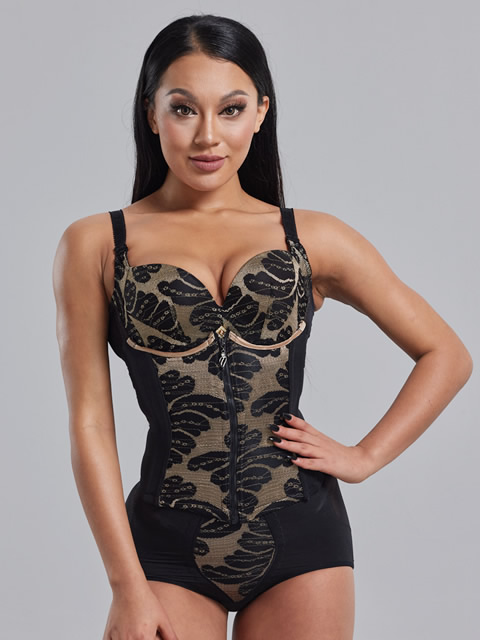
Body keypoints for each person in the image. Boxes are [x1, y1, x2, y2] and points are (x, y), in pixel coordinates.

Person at [52, 13, 473, 640]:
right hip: (165, 543)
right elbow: (90, 423)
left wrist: (363, 457)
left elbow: (446, 354)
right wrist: (125, 585)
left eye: (231, 109)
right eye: (183, 108)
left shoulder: (313, 237)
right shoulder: (95, 244)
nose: (207, 136)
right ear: (151, 114)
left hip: (303, 536)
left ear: (260, 113)